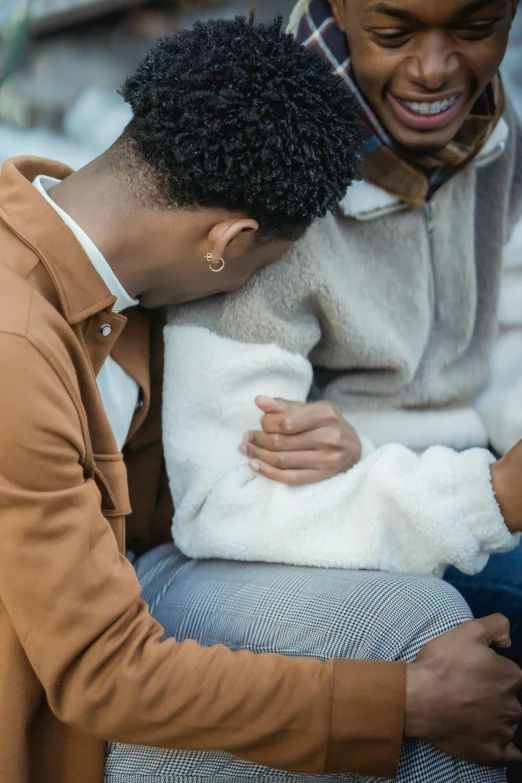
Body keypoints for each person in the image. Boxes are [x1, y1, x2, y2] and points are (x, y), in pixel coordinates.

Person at [106, 2, 522, 783]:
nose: (435, 69)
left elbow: (502, 331)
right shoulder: (260, 174)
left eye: (476, 27)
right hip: (348, 517)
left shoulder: (494, 135)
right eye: (394, 34)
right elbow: (223, 503)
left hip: (441, 475)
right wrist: (493, 492)